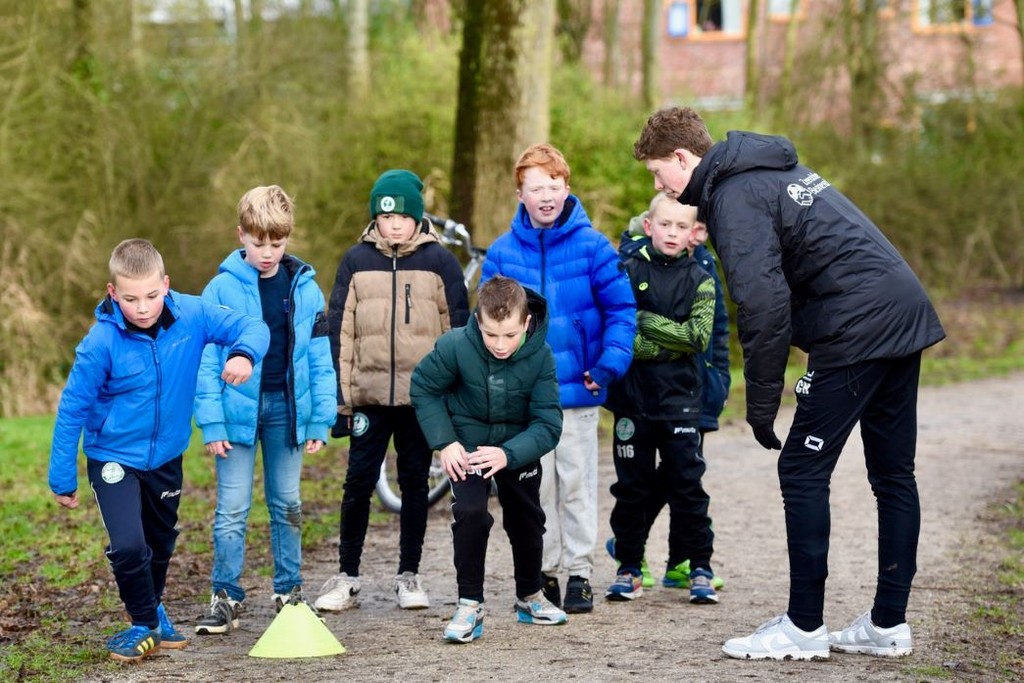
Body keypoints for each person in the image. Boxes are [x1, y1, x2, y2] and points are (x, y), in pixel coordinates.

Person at [633, 107, 945, 660]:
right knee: (894, 474)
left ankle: (803, 628)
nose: (659, 186)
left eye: (660, 173)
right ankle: (887, 625)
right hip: (900, 310)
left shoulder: (732, 198)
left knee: (801, 468)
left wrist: (760, 400)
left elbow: (762, 303)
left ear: (683, 158)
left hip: (860, 328)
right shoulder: (767, 171)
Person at [48, 238, 269, 663]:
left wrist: (244, 355)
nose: (143, 307)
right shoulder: (100, 343)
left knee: (161, 541)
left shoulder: (192, 315)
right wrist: (62, 475)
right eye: (130, 298)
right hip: (113, 456)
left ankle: (153, 610)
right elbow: (71, 407)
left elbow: (253, 327)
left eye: (152, 295)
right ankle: (144, 622)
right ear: (113, 293)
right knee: (130, 544)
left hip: (167, 455)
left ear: (165, 285)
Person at [480, 143, 636, 614]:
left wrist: (608, 364)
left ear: (567, 188)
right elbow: (483, 322)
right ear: (520, 194)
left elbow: (621, 310)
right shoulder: (503, 253)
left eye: (553, 186)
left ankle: (580, 573)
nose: (545, 196)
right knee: (534, 489)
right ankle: (542, 573)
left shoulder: (593, 247)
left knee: (576, 483)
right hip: (523, 399)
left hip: (578, 388)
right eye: (535, 188)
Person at [315, 169, 470, 612]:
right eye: (386, 217)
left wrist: (452, 398)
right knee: (357, 483)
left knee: (415, 484)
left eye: (403, 215)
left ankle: (409, 574)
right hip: (368, 396)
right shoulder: (355, 262)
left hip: (421, 399)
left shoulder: (441, 263)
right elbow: (339, 335)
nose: (394, 224)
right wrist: (342, 400)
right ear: (374, 219)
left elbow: (457, 334)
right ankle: (347, 575)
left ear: (417, 217)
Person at [193, 185, 337, 634]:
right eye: (259, 243)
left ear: (288, 237)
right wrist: (212, 420)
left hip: (288, 412)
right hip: (235, 415)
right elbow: (206, 360)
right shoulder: (218, 289)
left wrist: (321, 418)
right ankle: (225, 596)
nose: (268, 252)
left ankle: (289, 592)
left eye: (277, 243)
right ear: (241, 236)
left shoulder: (307, 290)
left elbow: (319, 358)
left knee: (288, 503)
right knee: (232, 507)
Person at [409, 276, 566, 642]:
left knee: (527, 519)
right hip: (467, 445)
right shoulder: (455, 346)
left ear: (526, 323)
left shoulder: (541, 357)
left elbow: (548, 423)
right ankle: (470, 604)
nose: (499, 345)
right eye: (490, 334)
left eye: (509, 335)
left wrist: (509, 454)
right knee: (470, 513)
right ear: (478, 321)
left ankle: (530, 596)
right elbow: (424, 388)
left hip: (517, 445)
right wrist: (445, 442)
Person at [607, 201, 731, 592]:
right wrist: (663, 339)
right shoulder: (626, 271)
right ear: (649, 226)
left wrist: (649, 322)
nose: (673, 232)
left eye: (682, 225)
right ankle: (628, 566)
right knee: (632, 488)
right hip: (633, 401)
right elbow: (622, 333)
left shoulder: (702, 279)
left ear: (693, 231)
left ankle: (699, 568)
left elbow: (697, 337)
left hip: (681, 401)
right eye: (665, 224)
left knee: (686, 486)